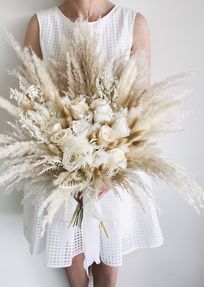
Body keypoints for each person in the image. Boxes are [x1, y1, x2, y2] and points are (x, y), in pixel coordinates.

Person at [22, 1, 163, 286]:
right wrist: (66, 166)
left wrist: (108, 169)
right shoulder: (41, 24)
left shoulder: (132, 22)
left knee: (109, 268)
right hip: (59, 167)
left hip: (117, 164)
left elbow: (140, 105)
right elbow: (30, 103)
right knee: (72, 260)